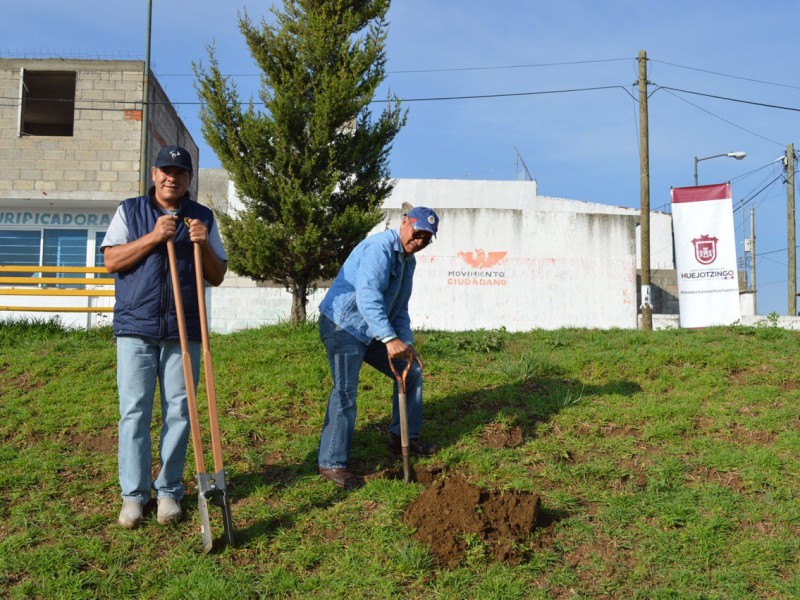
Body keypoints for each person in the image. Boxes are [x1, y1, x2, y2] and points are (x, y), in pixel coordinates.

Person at [101, 144, 228, 528]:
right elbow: (111, 261)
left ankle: (169, 490)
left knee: (180, 412)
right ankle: (134, 495)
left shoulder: (201, 218)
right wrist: (155, 237)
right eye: (165, 170)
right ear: (154, 174)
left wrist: (202, 242)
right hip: (136, 327)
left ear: (190, 179)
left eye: (180, 171)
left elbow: (217, 275)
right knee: (134, 412)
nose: (172, 177)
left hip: (184, 329)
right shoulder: (130, 211)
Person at [317, 206, 440, 489]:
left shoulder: (408, 261)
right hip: (343, 325)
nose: (419, 240)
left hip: (372, 328)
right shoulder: (379, 248)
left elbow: (399, 308)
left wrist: (405, 343)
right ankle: (332, 463)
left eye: (426, 237)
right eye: (417, 231)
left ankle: (404, 439)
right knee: (345, 391)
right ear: (405, 223)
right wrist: (388, 338)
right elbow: (368, 296)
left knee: (412, 373)